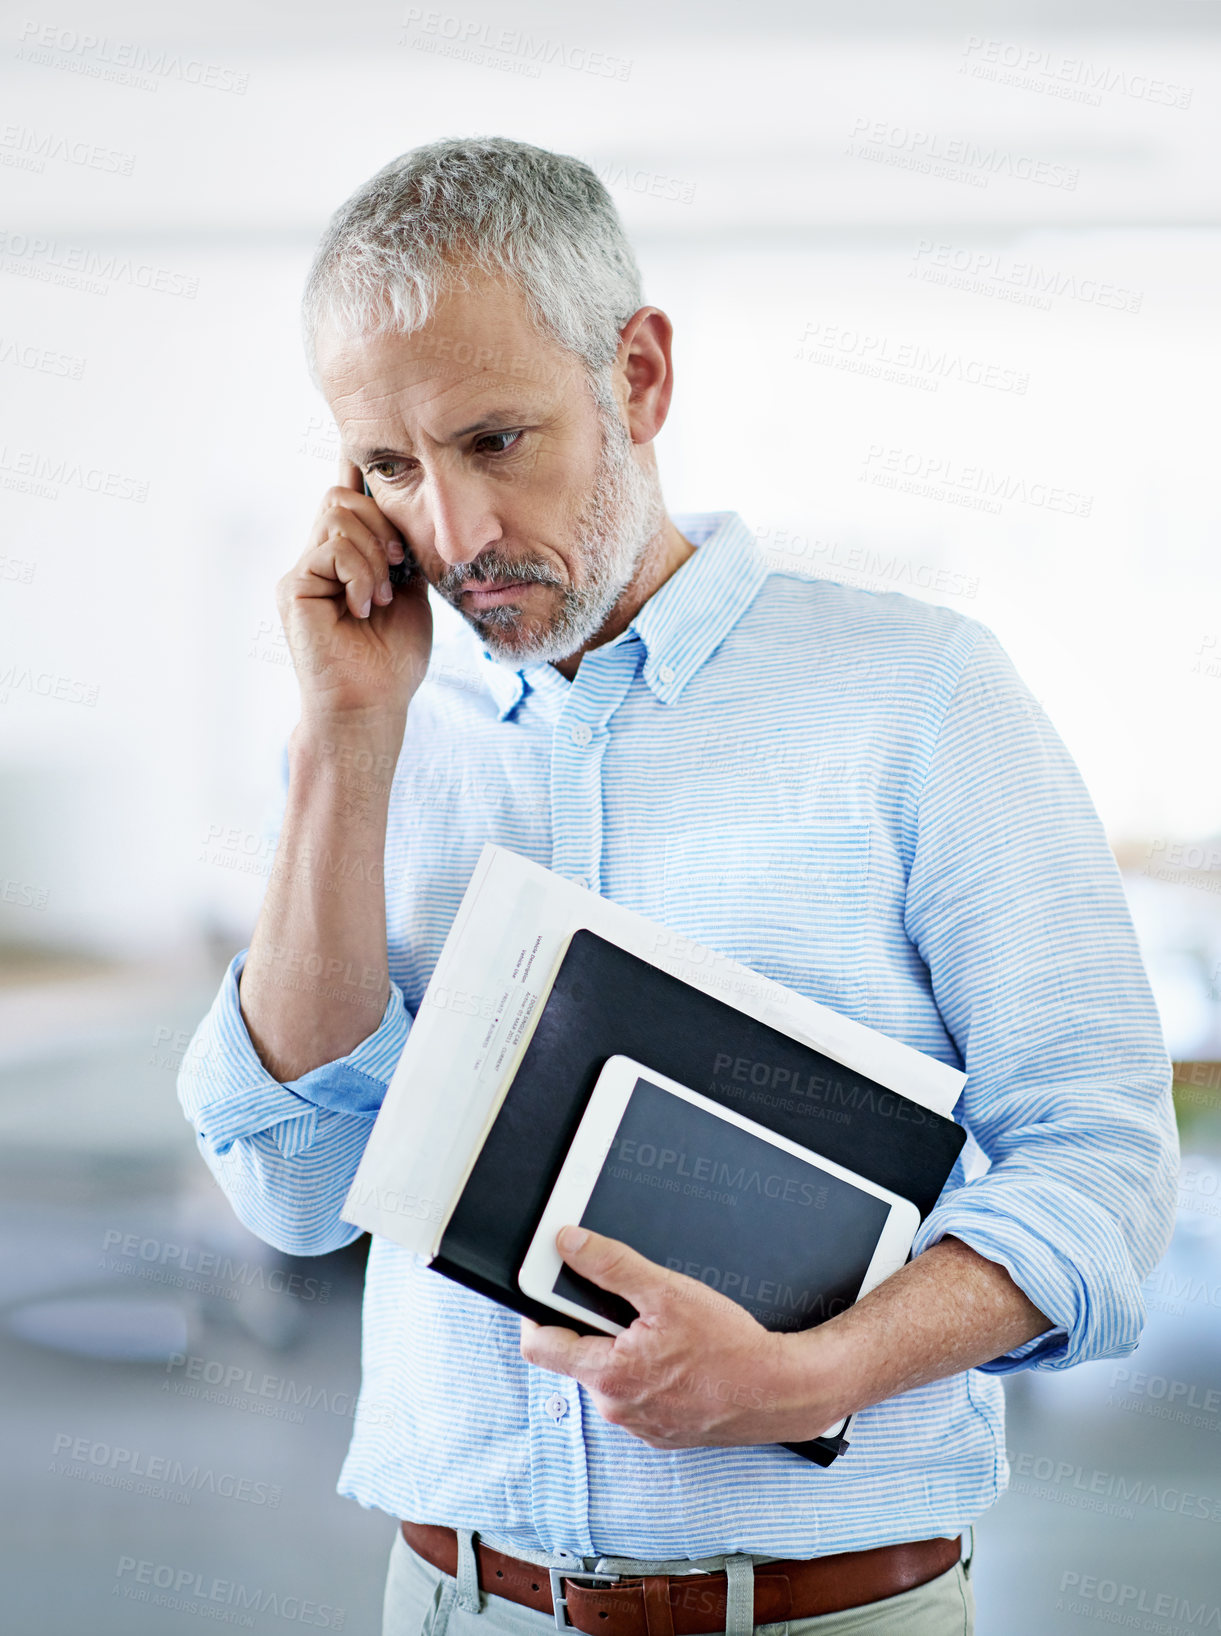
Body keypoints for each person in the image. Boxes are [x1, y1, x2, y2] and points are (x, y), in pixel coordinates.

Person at [177, 136, 1179, 1636]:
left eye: (496, 440)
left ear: (637, 378)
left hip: (823, 1611)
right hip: (454, 1602)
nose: (451, 539)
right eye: (392, 466)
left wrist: (815, 1374)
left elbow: (1098, 1168)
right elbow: (297, 1191)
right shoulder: (381, 736)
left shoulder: (917, 698)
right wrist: (342, 742)